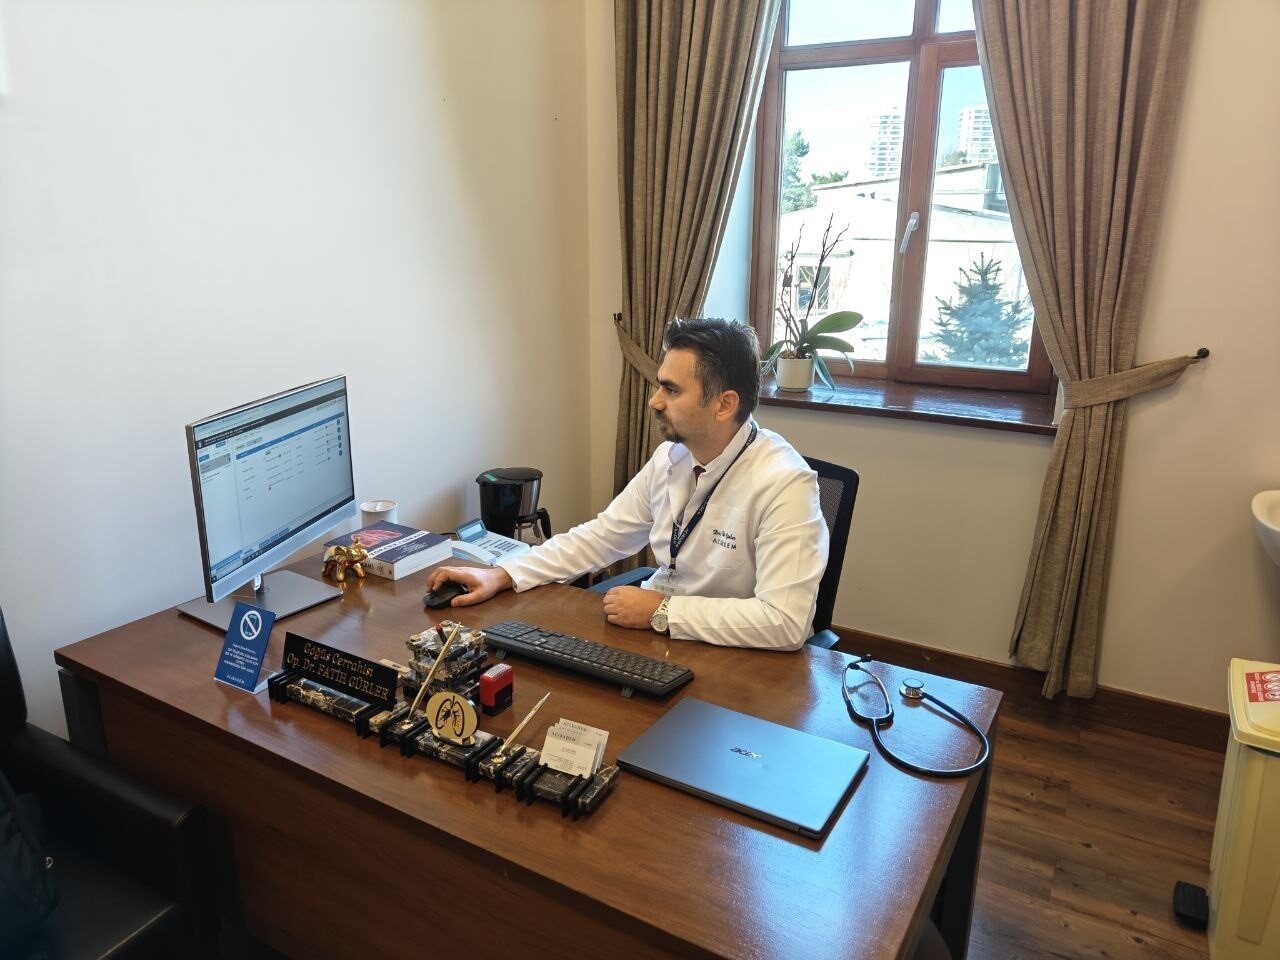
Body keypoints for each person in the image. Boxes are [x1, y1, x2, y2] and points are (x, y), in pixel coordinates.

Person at [426, 317, 829, 651]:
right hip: (660, 640)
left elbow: (785, 622)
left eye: (671, 389)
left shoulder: (785, 484)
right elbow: (602, 537)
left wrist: (661, 611)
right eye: (660, 384)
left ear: (725, 404)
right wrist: (504, 574)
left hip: (734, 656)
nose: (654, 400)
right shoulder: (672, 457)